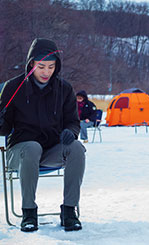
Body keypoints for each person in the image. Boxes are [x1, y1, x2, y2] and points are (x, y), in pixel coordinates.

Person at [0, 38, 85, 232]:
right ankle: (29, 212)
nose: (46, 72)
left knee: (77, 148)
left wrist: (70, 133)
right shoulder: (14, 87)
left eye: (51, 66)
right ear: (31, 64)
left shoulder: (64, 89)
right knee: (32, 147)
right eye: (41, 67)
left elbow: (73, 122)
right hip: (20, 152)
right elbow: (4, 130)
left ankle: (69, 211)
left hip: (50, 150)